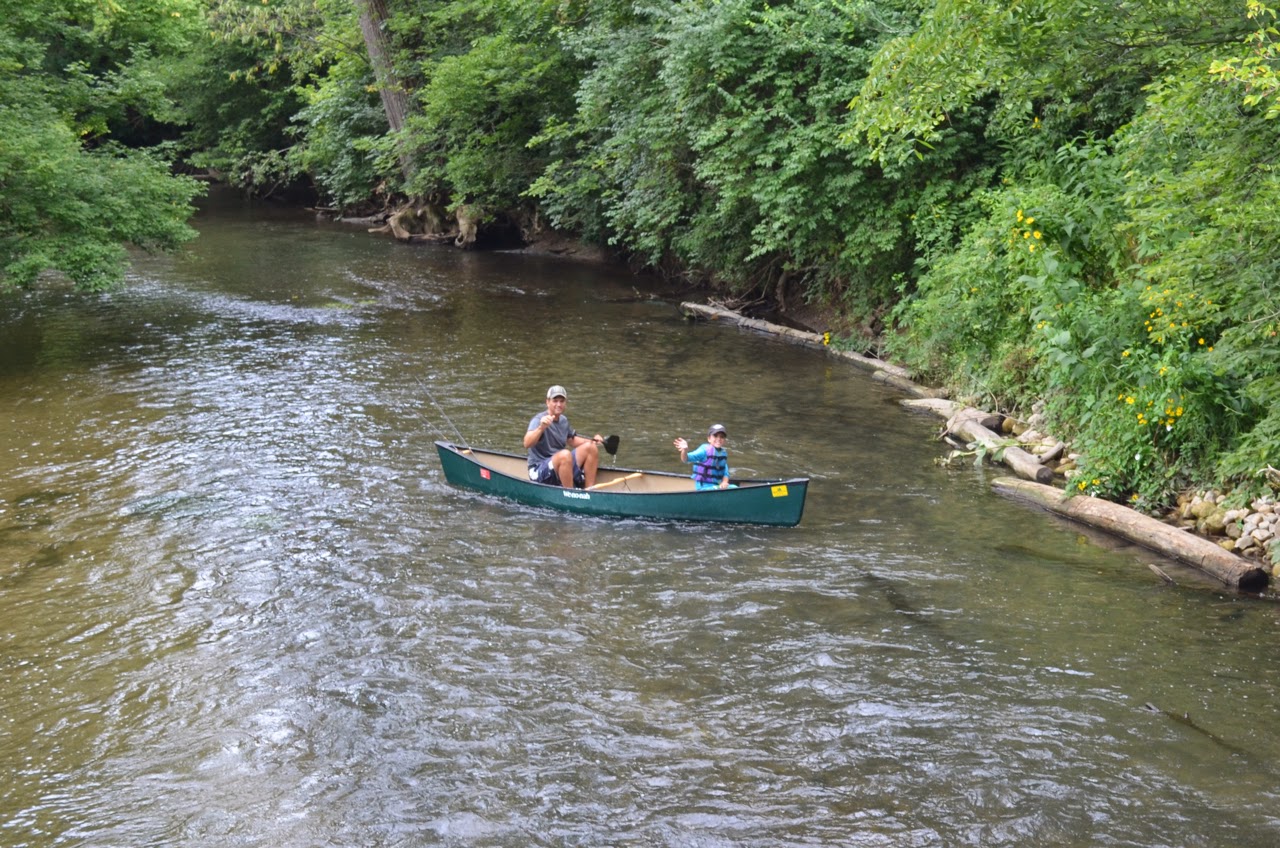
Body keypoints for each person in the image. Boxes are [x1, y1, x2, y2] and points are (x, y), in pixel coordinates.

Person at [525, 385, 602, 488]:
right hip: (538, 470)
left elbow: (571, 440)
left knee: (591, 447)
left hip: (560, 464)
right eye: (555, 401)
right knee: (565, 455)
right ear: (547, 402)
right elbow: (527, 443)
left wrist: (593, 441)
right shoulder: (538, 419)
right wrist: (541, 428)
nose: (558, 404)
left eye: (561, 401)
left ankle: (589, 491)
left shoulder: (563, 420)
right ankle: (570, 493)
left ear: (565, 403)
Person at [674, 424, 734, 490]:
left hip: (717, 485)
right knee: (718, 489)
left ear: (724, 440)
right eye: (715, 436)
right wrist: (684, 450)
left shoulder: (723, 453)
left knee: (734, 487)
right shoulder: (704, 451)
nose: (719, 439)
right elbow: (686, 459)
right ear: (709, 439)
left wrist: (724, 482)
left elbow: (725, 472)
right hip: (703, 487)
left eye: (722, 437)